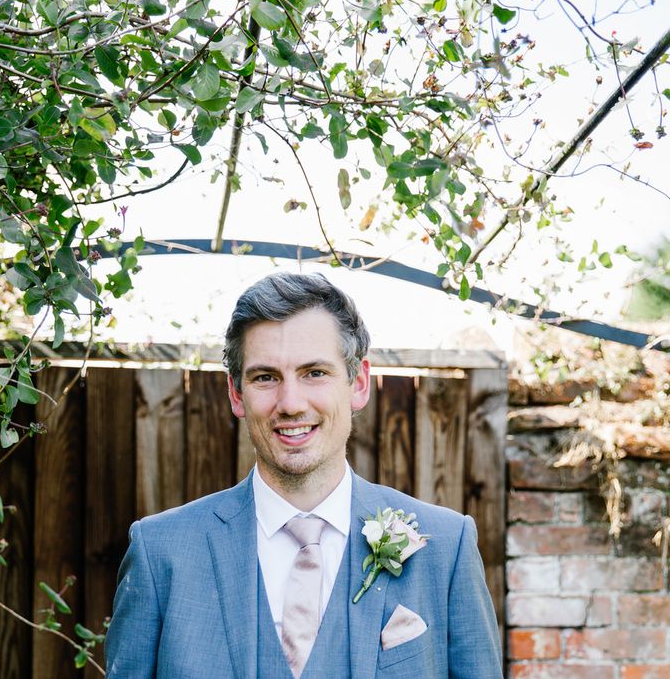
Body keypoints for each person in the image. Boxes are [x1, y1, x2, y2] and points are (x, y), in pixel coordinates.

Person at [105, 272, 502, 678]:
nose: (291, 403)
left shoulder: (445, 548)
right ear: (236, 395)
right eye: (265, 377)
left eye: (314, 372)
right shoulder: (161, 553)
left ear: (359, 383)